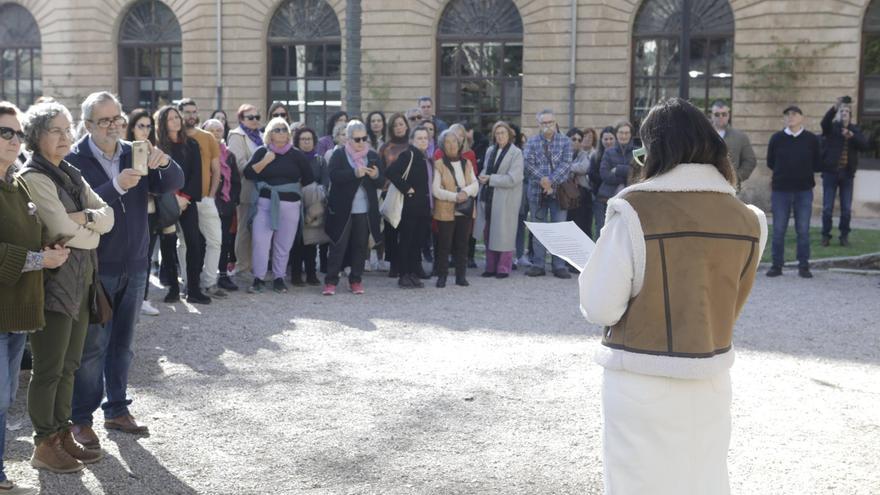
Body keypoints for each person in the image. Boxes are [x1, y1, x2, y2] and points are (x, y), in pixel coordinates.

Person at [579, 97, 767, 495]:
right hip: (712, 378)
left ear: (656, 149)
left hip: (640, 379)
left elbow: (600, 306)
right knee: (703, 482)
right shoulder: (749, 220)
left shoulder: (634, 209)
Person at [66, 92, 182, 450]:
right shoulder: (74, 159)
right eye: (105, 121)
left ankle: (117, 408)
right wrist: (116, 186)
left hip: (135, 262)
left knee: (124, 344)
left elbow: (173, 182)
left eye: (117, 119)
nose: (114, 126)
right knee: (92, 348)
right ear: (87, 125)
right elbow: (74, 207)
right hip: (96, 266)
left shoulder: (136, 150)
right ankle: (81, 420)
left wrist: (163, 162)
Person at [20, 101, 115, 473]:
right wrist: (89, 229)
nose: (64, 136)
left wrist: (86, 220)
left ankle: (61, 434)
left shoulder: (70, 171)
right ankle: (44, 443)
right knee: (49, 367)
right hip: (54, 283)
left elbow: (106, 216)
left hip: (80, 280)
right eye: (54, 130)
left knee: (70, 364)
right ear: (37, 135)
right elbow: (60, 229)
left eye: (67, 129)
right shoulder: (35, 176)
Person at [0, 101, 68, 494]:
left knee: (3, 398)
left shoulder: (17, 182)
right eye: (4, 132)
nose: (13, 140)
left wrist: (49, 246)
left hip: (19, 309)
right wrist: (39, 258)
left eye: (17, 133)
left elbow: (26, 234)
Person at [243, 118, 314, 294]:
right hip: (265, 204)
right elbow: (248, 173)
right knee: (260, 242)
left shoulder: (297, 154)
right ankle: (258, 278)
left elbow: (308, 178)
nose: (281, 132)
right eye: (277, 129)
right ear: (269, 133)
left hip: (290, 206)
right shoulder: (262, 152)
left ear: (289, 133)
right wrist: (265, 161)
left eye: (284, 129)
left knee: (284, 244)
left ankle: (279, 278)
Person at [153, 105, 210, 302]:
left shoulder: (191, 144)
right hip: (166, 202)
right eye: (170, 118)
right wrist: (172, 197)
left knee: (194, 243)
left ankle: (193, 289)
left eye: (177, 117)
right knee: (167, 246)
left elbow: (196, 174)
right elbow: (156, 176)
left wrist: (185, 198)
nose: (176, 121)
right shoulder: (157, 146)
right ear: (162, 123)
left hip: (187, 201)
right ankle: (173, 289)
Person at [323, 121, 383, 295]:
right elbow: (333, 176)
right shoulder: (339, 155)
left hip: (364, 209)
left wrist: (376, 175)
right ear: (348, 139)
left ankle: (355, 280)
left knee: (360, 246)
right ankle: (331, 281)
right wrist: (354, 174)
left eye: (364, 138)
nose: (361, 142)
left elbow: (381, 181)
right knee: (337, 245)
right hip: (342, 209)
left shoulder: (372, 156)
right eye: (357, 139)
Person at [766, 105, 822, 278]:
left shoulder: (811, 139)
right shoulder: (776, 138)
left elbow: (817, 163)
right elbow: (770, 162)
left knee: (803, 230)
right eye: (787, 114)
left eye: (794, 114)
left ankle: (803, 266)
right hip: (781, 191)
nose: (790, 117)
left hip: (803, 191)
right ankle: (776, 265)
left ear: (801, 118)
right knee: (779, 230)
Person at [177, 98, 225, 298]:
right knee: (185, 243)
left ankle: (209, 282)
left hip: (204, 199)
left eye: (194, 111)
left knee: (215, 240)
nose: (191, 115)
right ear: (179, 114)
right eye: (187, 112)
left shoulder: (207, 138)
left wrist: (211, 195)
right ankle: (189, 282)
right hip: (181, 199)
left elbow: (216, 170)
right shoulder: (174, 138)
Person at [523, 109, 573, 279]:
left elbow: (566, 164)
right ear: (539, 124)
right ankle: (538, 264)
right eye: (544, 123)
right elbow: (528, 164)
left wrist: (550, 180)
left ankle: (559, 265)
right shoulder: (531, 142)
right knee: (539, 230)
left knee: (559, 229)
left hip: (559, 193)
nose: (548, 126)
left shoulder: (565, 142)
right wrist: (542, 180)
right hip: (537, 193)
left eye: (550, 122)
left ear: (555, 122)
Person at [125, 108, 163, 317]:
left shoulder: (154, 149)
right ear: (132, 127)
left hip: (151, 208)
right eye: (141, 125)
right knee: (130, 254)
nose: (145, 130)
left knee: (146, 255)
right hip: (129, 209)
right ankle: (130, 299)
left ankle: (143, 298)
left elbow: (161, 183)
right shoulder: (122, 149)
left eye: (149, 126)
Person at [385, 126, 433, 289]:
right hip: (410, 207)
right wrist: (407, 189)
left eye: (425, 138)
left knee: (417, 242)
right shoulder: (408, 154)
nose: (423, 141)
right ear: (412, 140)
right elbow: (391, 172)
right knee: (406, 241)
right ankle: (403, 274)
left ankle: (413, 273)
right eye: (419, 138)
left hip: (423, 207)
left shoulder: (425, 157)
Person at [475, 121, 523, 278]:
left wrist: (490, 179)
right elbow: (485, 169)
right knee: (489, 231)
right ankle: (490, 266)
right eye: (497, 133)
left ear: (509, 135)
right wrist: (483, 176)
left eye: (503, 133)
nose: (500, 136)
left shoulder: (516, 153)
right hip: (489, 197)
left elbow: (513, 179)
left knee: (504, 233)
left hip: (506, 198)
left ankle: (503, 268)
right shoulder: (490, 150)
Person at [433, 129, 478, 288]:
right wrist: (455, 196)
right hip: (446, 209)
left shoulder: (467, 163)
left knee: (462, 244)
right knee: (444, 245)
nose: (451, 145)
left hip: (464, 209)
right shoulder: (439, 164)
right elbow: (435, 189)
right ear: (442, 146)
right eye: (447, 142)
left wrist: (465, 192)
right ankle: (442, 276)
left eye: (454, 141)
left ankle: (461, 276)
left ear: (459, 144)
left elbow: (475, 184)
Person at [820, 98, 868, 247]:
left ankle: (844, 236)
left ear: (850, 115)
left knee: (846, 209)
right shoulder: (832, 128)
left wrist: (852, 136)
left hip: (847, 175)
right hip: (830, 173)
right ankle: (826, 236)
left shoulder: (855, 130)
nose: (844, 113)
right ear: (839, 114)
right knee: (827, 208)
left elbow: (865, 145)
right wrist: (835, 107)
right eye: (842, 111)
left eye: (847, 111)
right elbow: (824, 123)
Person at [202, 119, 241, 292]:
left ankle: (223, 275)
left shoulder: (229, 156)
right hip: (204, 203)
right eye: (212, 130)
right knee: (202, 242)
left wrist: (231, 202)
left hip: (224, 205)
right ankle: (199, 276)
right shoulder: (200, 152)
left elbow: (235, 182)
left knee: (224, 242)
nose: (217, 133)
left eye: (219, 130)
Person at [289, 127, 329, 286]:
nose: (306, 142)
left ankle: (312, 274)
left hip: (314, 204)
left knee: (312, 241)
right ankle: (296, 275)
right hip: (295, 202)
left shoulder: (320, 160)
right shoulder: (292, 158)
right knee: (296, 241)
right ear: (297, 141)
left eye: (309, 139)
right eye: (303, 139)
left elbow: (326, 182)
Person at [227, 104, 263, 277]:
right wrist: (263, 164)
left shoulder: (261, 135)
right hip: (246, 188)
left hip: (262, 188)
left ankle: (256, 265)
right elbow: (238, 165)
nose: (255, 121)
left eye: (257, 117)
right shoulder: (236, 136)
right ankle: (242, 265)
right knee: (244, 229)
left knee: (259, 229)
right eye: (250, 118)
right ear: (241, 119)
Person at [379, 113, 410, 277]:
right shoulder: (385, 148)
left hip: (409, 193)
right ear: (391, 128)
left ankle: (406, 262)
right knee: (391, 231)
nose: (399, 127)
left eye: (401, 124)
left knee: (407, 230)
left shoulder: (412, 146)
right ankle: (393, 264)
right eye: (395, 125)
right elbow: (381, 170)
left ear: (406, 126)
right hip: (389, 192)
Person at [710, 100, 756, 190]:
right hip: (707, 186)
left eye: (724, 114)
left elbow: (750, 161)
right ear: (711, 115)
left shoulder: (740, 136)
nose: (720, 117)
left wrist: (736, 177)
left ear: (728, 115)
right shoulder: (703, 136)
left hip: (731, 188)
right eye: (717, 114)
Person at [567, 127, 596, 240]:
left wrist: (567, 167)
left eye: (579, 140)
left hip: (582, 196)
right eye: (573, 139)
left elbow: (584, 168)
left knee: (583, 227)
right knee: (568, 227)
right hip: (565, 197)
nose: (577, 142)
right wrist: (572, 169)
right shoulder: (562, 154)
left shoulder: (583, 154)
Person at [590, 127, 616, 232]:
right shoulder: (595, 156)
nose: (608, 141)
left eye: (611, 139)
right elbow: (592, 175)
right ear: (601, 140)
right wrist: (609, 175)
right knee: (600, 228)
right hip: (599, 199)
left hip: (616, 197)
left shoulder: (619, 156)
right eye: (606, 139)